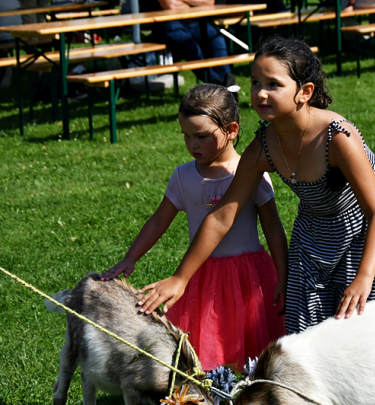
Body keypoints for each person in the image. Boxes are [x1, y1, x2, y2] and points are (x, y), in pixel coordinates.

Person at [136, 36, 375, 405]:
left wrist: (363, 278)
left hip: (370, 223)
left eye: (273, 84)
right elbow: (225, 213)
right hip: (316, 222)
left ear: (303, 92)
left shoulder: (337, 136)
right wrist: (181, 278)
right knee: (309, 320)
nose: (260, 93)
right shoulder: (263, 144)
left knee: (359, 319)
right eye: (255, 83)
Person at [101, 83, 287, 371]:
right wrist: (131, 257)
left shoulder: (251, 173)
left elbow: (274, 229)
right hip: (201, 276)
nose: (192, 145)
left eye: (201, 136)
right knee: (204, 350)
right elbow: (158, 221)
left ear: (232, 130)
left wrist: (282, 276)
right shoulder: (183, 176)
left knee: (252, 349)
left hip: (249, 278)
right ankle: (209, 402)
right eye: (186, 136)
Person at [144, 0, 235, 86]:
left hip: (195, 22)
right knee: (191, 48)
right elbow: (171, 6)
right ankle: (217, 82)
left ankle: (227, 82)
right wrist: (194, 4)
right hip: (169, 24)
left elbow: (209, 2)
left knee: (218, 39)